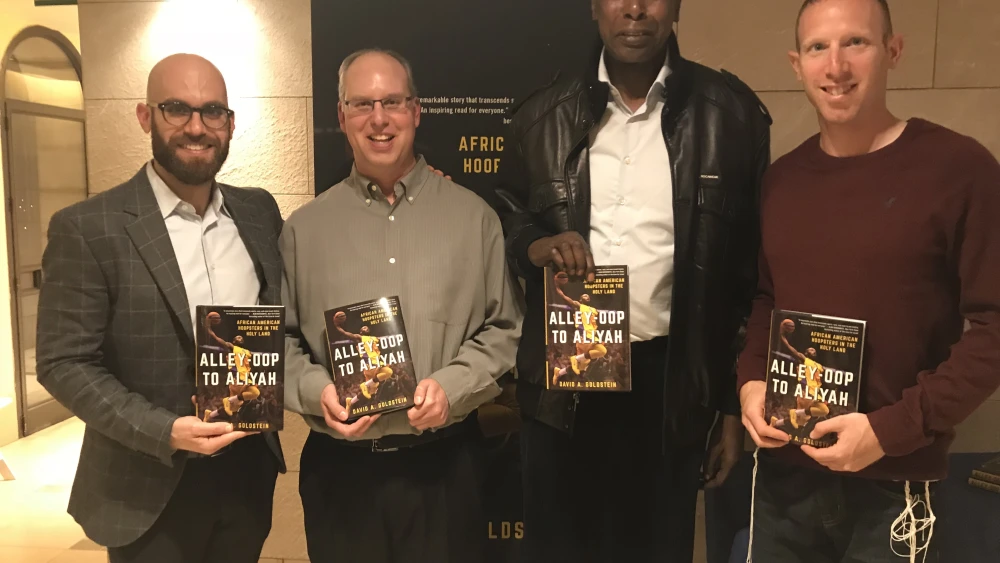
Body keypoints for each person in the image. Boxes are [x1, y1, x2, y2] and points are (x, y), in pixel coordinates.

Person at [495, 0, 772, 560]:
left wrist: (726, 407)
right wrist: (535, 244)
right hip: (563, 381)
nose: (635, 10)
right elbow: (504, 213)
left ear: (675, 8)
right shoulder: (542, 114)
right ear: (595, 8)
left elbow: (746, 278)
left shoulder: (730, 115)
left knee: (656, 548)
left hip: (669, 383)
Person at [737, 1, 1000, 561]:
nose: (835, 66)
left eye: (855, 42)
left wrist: (894, 429)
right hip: (784, 478)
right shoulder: (781, 180)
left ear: (894, 51)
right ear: (796, 64)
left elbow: (995, 326)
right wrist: (750, 382)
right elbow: (767, 299)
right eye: (817, 48)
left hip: (893, 484)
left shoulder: (960, 169)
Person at [35, 54, 285, 563]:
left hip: (245, 474)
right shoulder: (88, 226)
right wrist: (164, 431)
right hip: (145, 483)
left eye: (212, 111)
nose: (196, 127)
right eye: (177, 109)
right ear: (145, 116)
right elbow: (63, 363)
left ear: (230, 124)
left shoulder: (259, 211)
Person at [281, 48, 523, 563]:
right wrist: (315, 389)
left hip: (445, 470)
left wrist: (453, 386)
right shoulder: (303, 229)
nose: (379, 118)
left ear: (416, 111)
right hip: (339, 475)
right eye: (362, 103)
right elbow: (279, 340)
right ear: (340, 115)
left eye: (392, 101)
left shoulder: (475, 219)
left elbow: (506, 329)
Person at [202, 315, 260, 421]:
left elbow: (250, 366)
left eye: (241, 337)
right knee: (253, 394)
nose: (240, 338)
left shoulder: (247, 352)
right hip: (237, 377)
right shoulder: (232, 348)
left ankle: (209, 415)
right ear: (233, 341)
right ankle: (228, 400)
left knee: (235, 407)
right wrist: (209, 328)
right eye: (237, 337)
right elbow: (217, 339)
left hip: (243, 377)